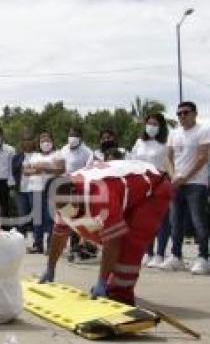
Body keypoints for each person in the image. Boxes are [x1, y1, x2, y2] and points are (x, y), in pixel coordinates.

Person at [39, 160, 172, 305]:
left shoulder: (100, 196)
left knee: (128, 245)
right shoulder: (61, 197)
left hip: (154, 189)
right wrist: (50, 268)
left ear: (75, 194)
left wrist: (102, 281)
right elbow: (59, 235)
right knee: (92, 229)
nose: (64, 210)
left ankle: (121, 293)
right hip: (125, 190)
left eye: (66, 205)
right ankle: (112, 283)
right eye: (59, 206)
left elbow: (112, 242)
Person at [161, 101, 210, 274]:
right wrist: (174, 176)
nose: (182, 116)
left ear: (194, 114)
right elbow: (168, 158)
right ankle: (176, 256)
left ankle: (204, 257)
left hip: (196, 183)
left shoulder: (203, 131)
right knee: (175, 222)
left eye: (185, 112)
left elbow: (203, 157)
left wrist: (185, 177)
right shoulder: (174, 133)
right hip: (177, 183)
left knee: (199, 221)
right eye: (179, 113)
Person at [129, 112, 171, 268]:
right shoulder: (139, 142)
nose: (151, 127)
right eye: (149, 123)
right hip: (141, 184)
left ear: (160, 127)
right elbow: (132, 160)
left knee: (161, 221)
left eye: (155, 124)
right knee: (144, 221)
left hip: (159, 183)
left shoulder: (166, 143)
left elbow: (169, 164)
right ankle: (147, 252)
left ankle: (160, 253)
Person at [57, 126, 94, 261]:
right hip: (64, 186)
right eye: (70, 134)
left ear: (80, 137)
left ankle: (77, 246)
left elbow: (89, 170)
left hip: (79, 187)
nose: (72, 137)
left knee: (77, 218)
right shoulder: (63, 149)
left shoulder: (87, 152)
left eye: (75, 135)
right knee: (64, 218)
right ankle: (65, 246)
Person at [23, 132, 62, 254]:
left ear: (52, 142)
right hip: (34, 189)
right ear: (39, 143)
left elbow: (60, 169)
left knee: (50, 219)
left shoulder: (57, 154)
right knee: (37, 219)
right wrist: (37, 169)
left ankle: (51, 246)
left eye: (48, 140)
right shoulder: (33, 156)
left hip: (50, 190)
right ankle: (37, 245)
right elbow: (25, 170)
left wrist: (45, 168)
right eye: (42, 141)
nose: (45, 143)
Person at [11, 131, 35, 237]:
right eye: (24, 140)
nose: (27, 142)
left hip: (35, 191)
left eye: (29, 139)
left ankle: (37, 241)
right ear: (21, 142)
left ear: (33, 141)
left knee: (36, 216)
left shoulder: (38, 155)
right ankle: (21, 239)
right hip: (21, 191)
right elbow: (14, 172)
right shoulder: (17, 157)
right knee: (22, 216)